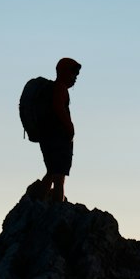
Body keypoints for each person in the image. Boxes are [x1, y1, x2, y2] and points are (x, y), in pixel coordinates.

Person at [39, 57, 81, 203]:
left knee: (52, 171)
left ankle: (38, 201)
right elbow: (59, 108)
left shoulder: (55, 88)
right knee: (59, 176)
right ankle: (57, 207)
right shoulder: (60, 89)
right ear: (64, 72)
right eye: (73, 72)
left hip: (48, 138)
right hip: (57, 139)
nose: (75, 77)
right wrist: (70, 129)